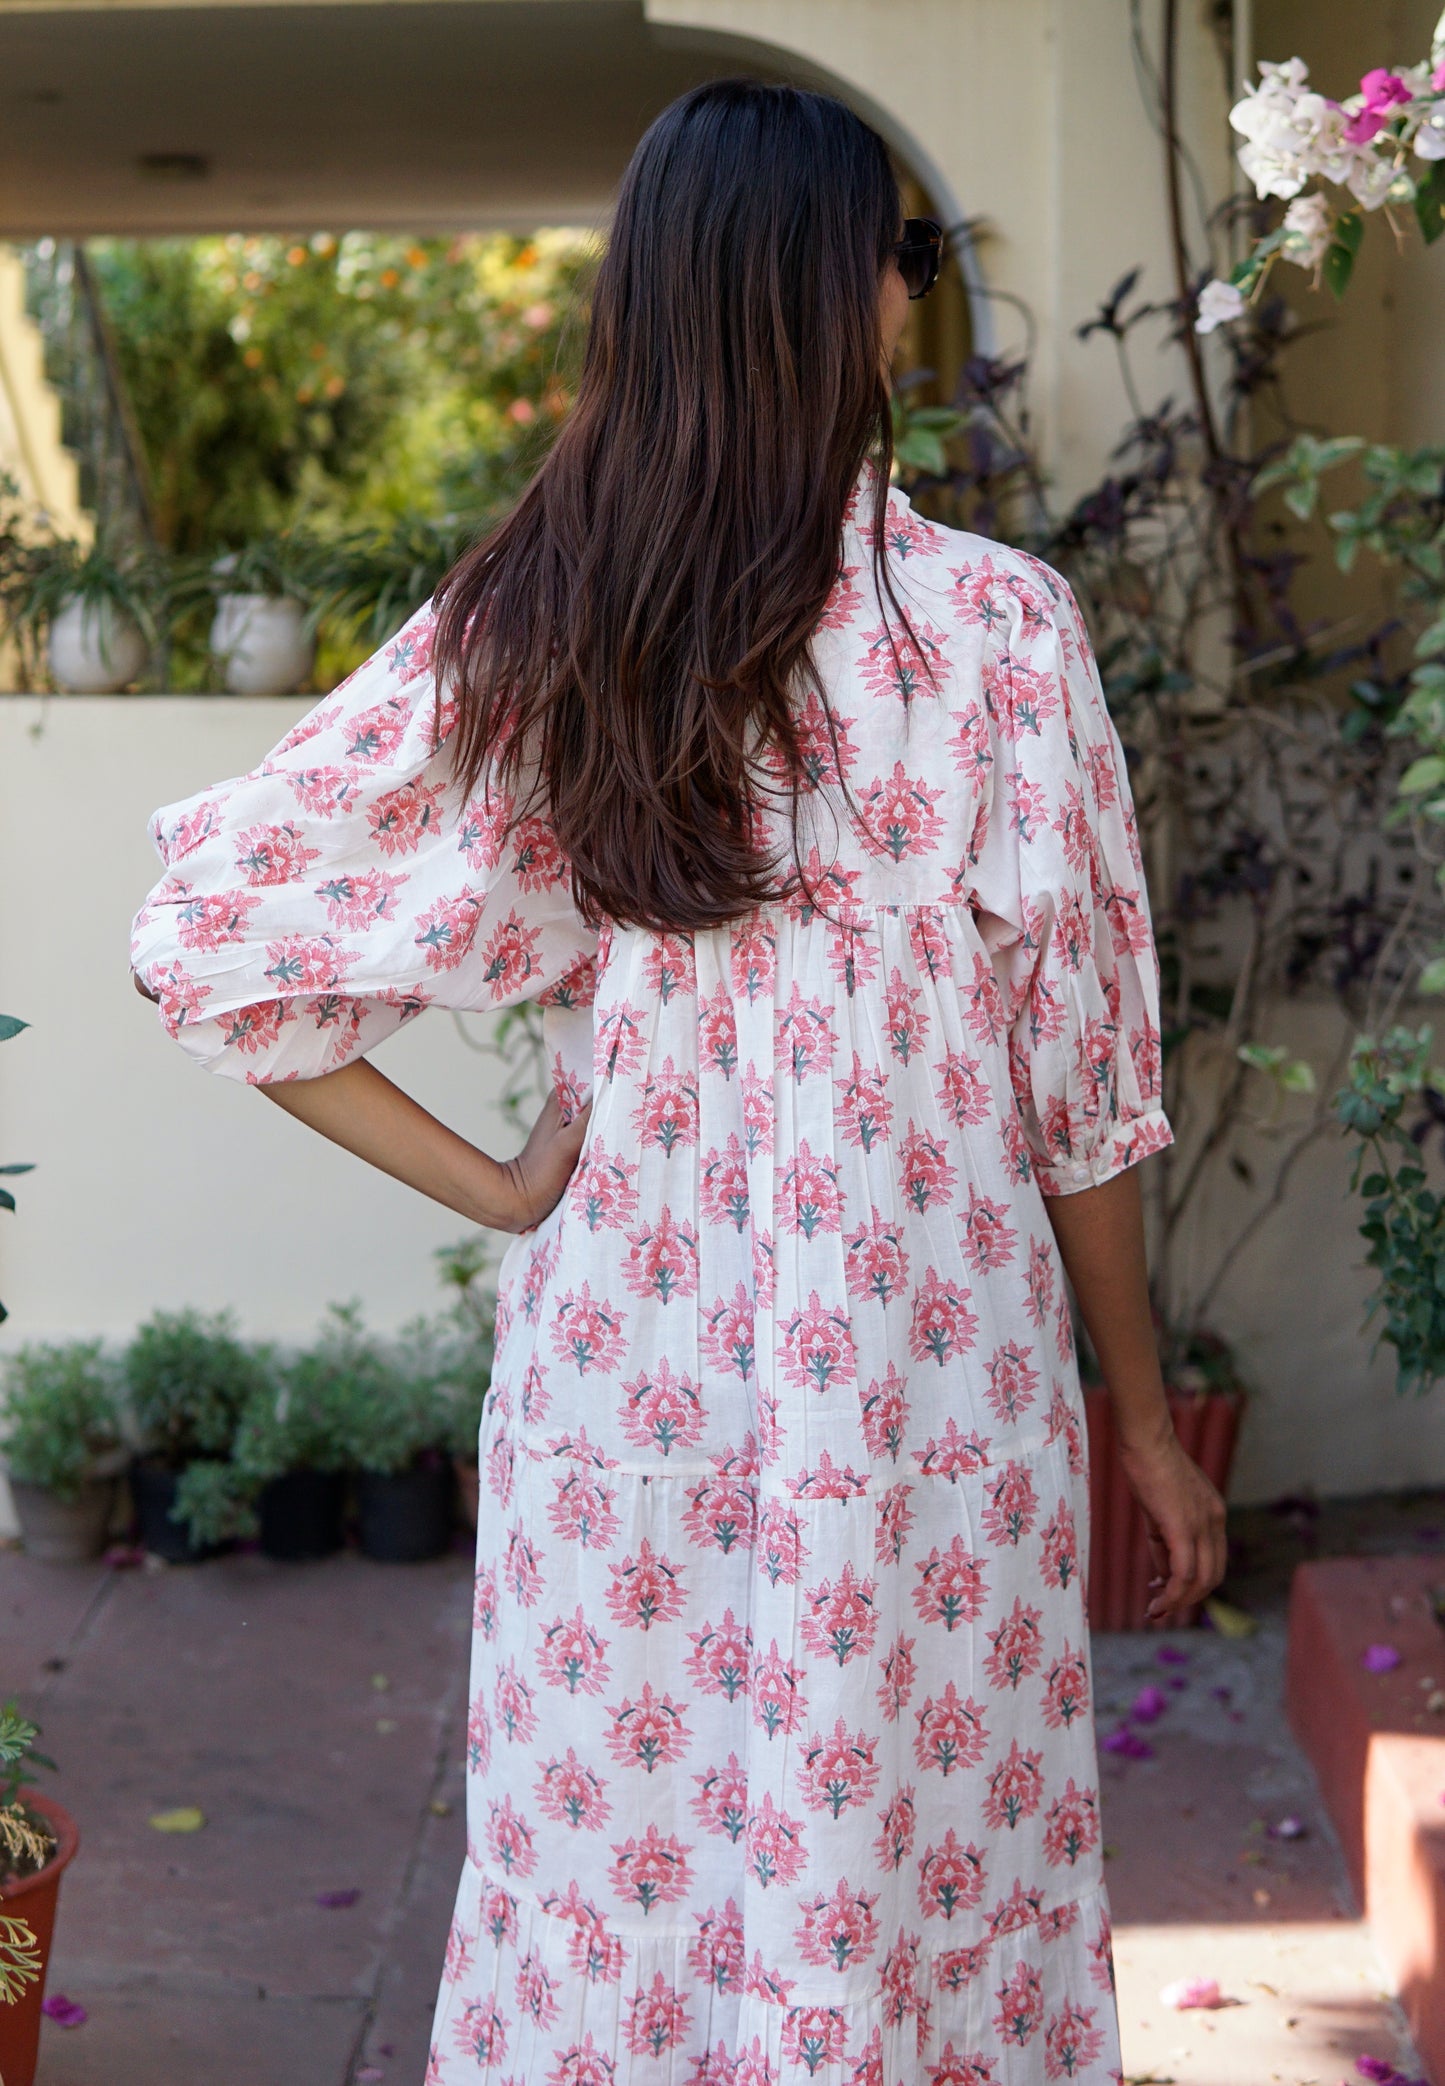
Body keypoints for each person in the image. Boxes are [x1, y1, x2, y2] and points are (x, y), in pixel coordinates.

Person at [131, 77, 1224, 2086]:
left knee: (618, 1899)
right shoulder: (991, 636)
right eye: (898, 259)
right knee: (915, 1886)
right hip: (924, 1405)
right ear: (850, 303)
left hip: (621, 1401)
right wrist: (1140, 1420)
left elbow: (212, 942)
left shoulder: (539, 628)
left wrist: (498, 1185)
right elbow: (1080, 1090)